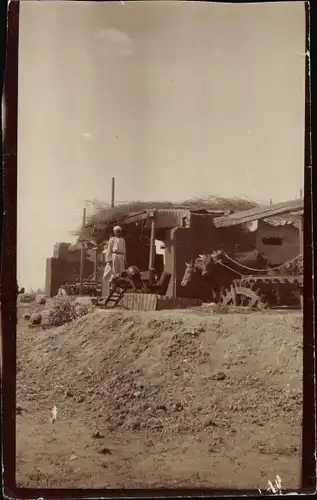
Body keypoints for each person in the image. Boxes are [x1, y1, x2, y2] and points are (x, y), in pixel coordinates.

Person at [102, 226, 126, 296]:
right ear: (114, 232)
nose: (118, 233)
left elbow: (124, 250)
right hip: (114, 256)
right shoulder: (112, 239)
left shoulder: (123, 240)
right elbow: (109, 249)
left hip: (121, 257)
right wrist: (109, 259)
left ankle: (117, 291)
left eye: (119, 231)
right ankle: (110, 290)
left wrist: (124, 259)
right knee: (113, 273)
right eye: (116, 231)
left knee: (120, 273)